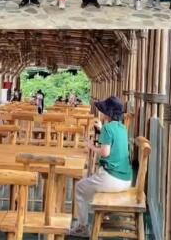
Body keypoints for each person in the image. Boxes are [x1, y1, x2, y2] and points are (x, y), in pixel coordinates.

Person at [70, 96, 132, 237]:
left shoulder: (107, 129)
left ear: (108, 113)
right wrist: (101, 129)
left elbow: (105, 153)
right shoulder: (122, 128)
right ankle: (90, 218)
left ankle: (82, 226)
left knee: (80, 187)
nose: (101, 113)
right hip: (127, 180)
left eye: (103, 111)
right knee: (90, 184)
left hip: (112, 179)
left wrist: (91, 146)